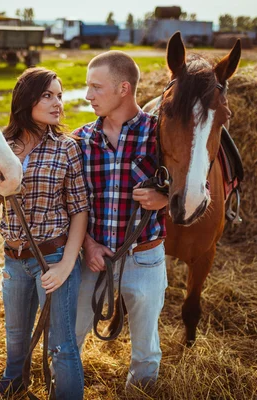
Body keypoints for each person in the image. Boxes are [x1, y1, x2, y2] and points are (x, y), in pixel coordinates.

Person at [0, 67, 89, 399]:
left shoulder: (67, 148)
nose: (58, 103)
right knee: (14, 340)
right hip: (13, 260)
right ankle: (12, 391)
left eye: (59, 95)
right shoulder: (2, 144)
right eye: (48, 95)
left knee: (62, 345)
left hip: (53, 257)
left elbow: (80, 210)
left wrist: (66, 265)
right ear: (27, 100)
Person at [72, 51, 169, 391]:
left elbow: (193, 187)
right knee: (71, 334)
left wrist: (165, 199)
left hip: (144, 257)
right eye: (87, 87)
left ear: (124, 88)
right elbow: (72, 203)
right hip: (93, 260)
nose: (88, 96)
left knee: (145, 347)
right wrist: (88, 244)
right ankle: (64, 389)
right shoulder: (81, 140)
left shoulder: (161, 135)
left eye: (96, 87)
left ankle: (140, 394)